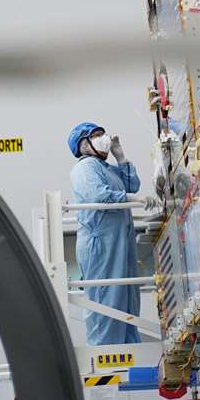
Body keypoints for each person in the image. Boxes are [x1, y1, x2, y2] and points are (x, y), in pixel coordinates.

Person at [67, 122, 141, 345]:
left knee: (127, 304)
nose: (103, 138)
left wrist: (121, 157)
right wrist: (131, 199)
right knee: (106, 303)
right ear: (83, 144)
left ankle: (129, 358)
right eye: (96, 135)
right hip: (101, 244)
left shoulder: (107, 168)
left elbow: (132, 184)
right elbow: (98, 196)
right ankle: (104, 361)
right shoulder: (85, 167)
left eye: (102, 134)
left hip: (120, 242)